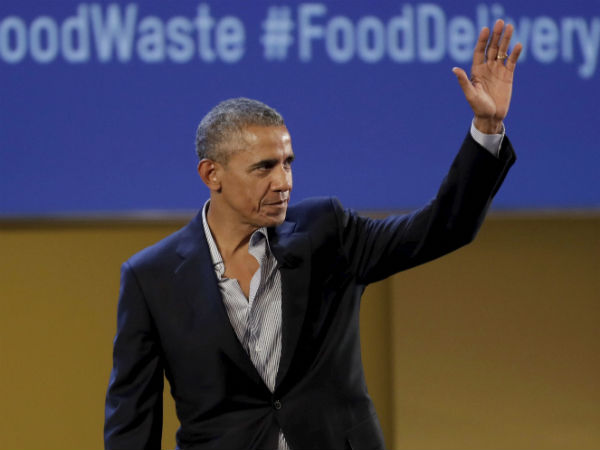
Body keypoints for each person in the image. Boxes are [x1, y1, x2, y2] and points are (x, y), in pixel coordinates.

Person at [104, 19, 522, 450]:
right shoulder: (151, 278)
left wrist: (486, 128)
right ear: (212, 174)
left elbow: (442, 228)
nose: (283, 181)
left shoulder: (327, 233)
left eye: (288, 162)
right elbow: (131, 420)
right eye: (265, 167)